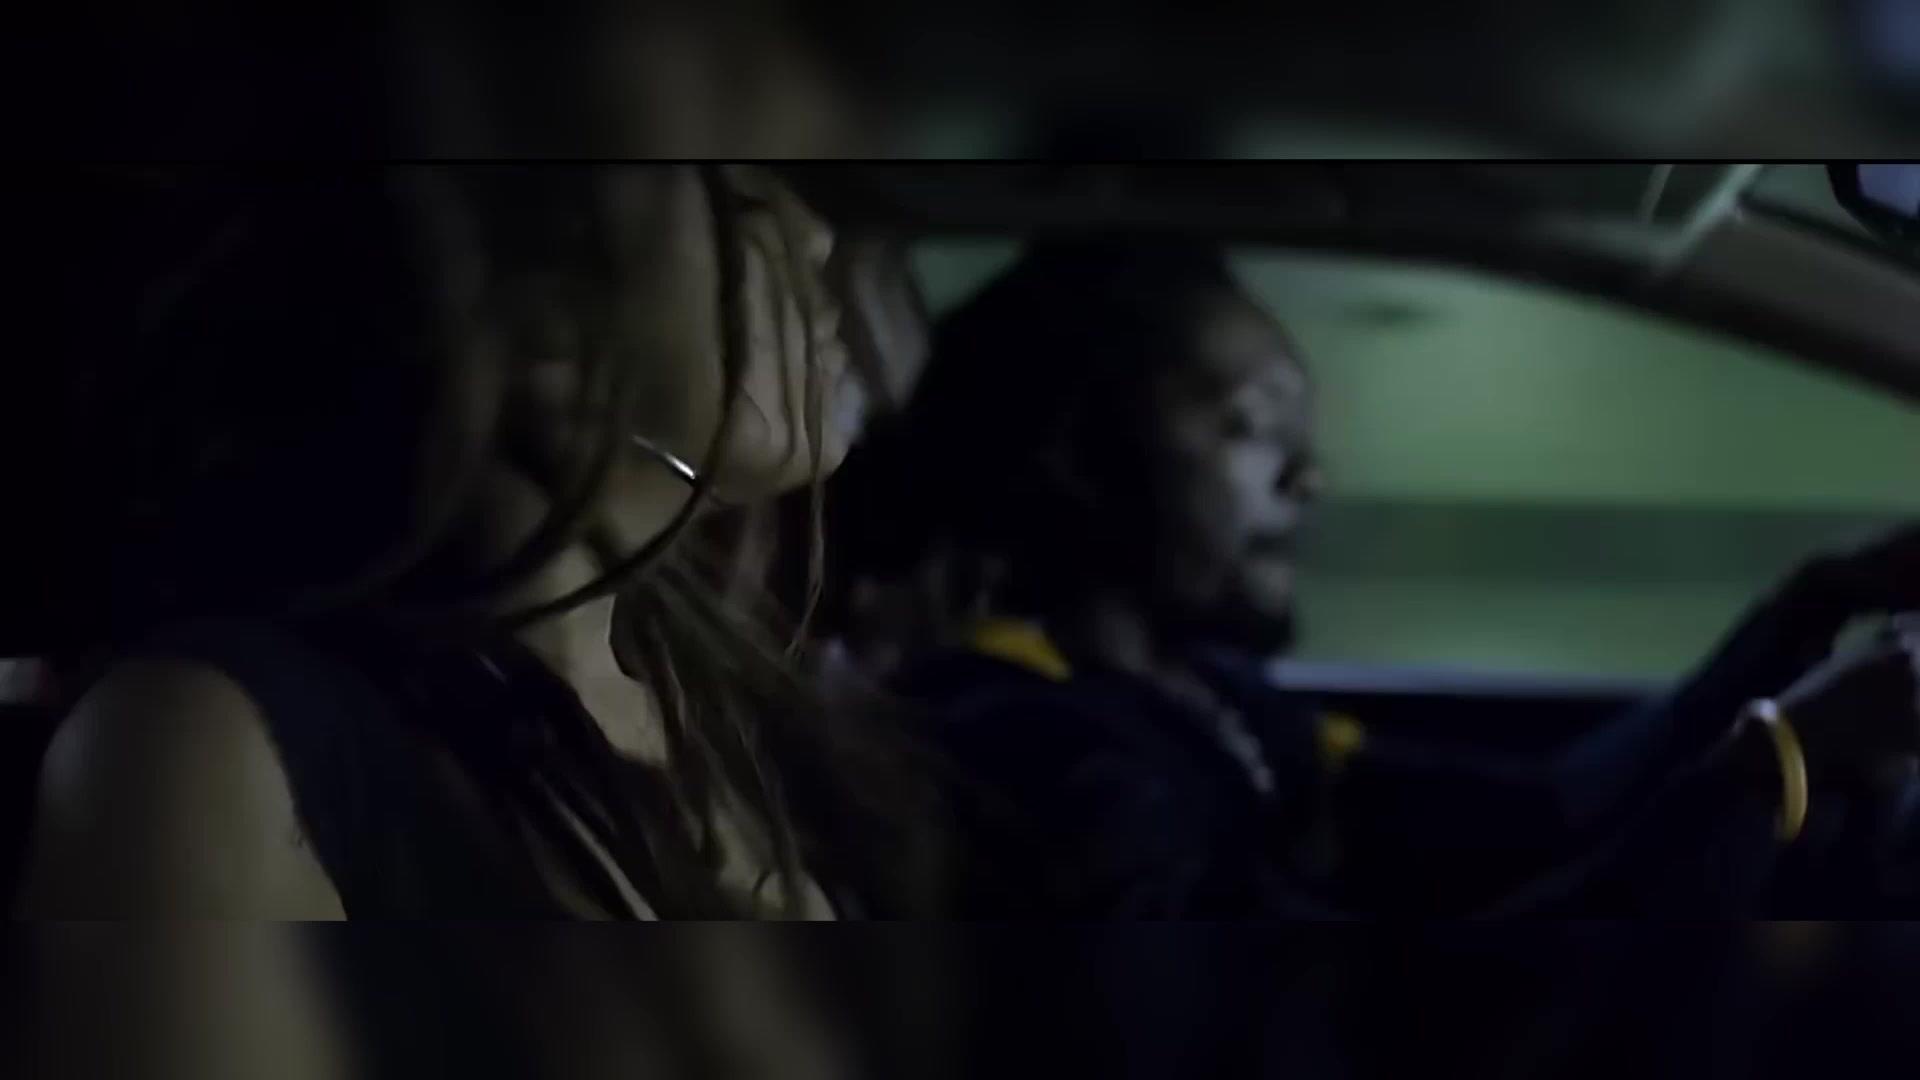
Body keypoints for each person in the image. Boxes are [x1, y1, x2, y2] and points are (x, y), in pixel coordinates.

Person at [7, 23, 953, 1080]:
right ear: (520, 298)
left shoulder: (724, 709)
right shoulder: (213, 751)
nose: (814, 237)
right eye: (734, 191)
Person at [860, 235, 1920, 919]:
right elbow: (1410, 1017)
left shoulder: (1199, 695)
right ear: (1079, 458)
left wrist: (1814, 607)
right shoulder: (1040, 760)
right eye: (1253, 427)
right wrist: (1784, 759)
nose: (1311, 476)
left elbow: (1543, 812)